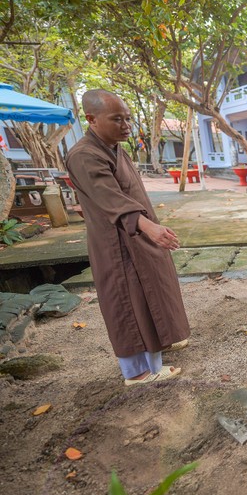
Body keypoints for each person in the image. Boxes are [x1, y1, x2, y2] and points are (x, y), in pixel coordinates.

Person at [65, 89, 190, 386]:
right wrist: (149, 227)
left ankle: (161, 344)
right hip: (117, 243)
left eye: (128, 118)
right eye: (117, 118)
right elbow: (109, 198)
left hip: (138, 234)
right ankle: (138, 372)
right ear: (91, 119)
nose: (126, 125)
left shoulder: (114, 147)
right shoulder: (84, 155)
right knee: (128, 303)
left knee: (154, 293)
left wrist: (149, 227)